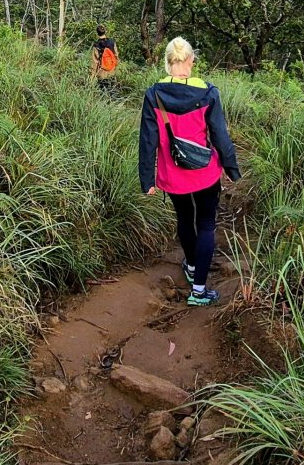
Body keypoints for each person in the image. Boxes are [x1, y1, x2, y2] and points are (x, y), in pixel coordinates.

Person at [138, 37, 240, 306]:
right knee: (206, 224)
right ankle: (199, 291)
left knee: (185, 218)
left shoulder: (154, 95)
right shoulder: (208, 92)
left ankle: (193, 266)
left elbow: (147, 140)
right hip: (205, 172)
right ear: (191, 60)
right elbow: (220, 135)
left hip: (173, 174)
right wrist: (231, 168)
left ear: (167, 61)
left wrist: (147, 179)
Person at [91, 24, 119, 94]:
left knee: (103, 93)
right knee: (112, 93)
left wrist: (92, 77)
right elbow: (116, 56)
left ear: (97, 33)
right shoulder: (112, 42)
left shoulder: (96, 45)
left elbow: (95, 62)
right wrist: (116, 68)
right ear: (105, 31)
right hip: (112, 72)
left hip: (102, 73)